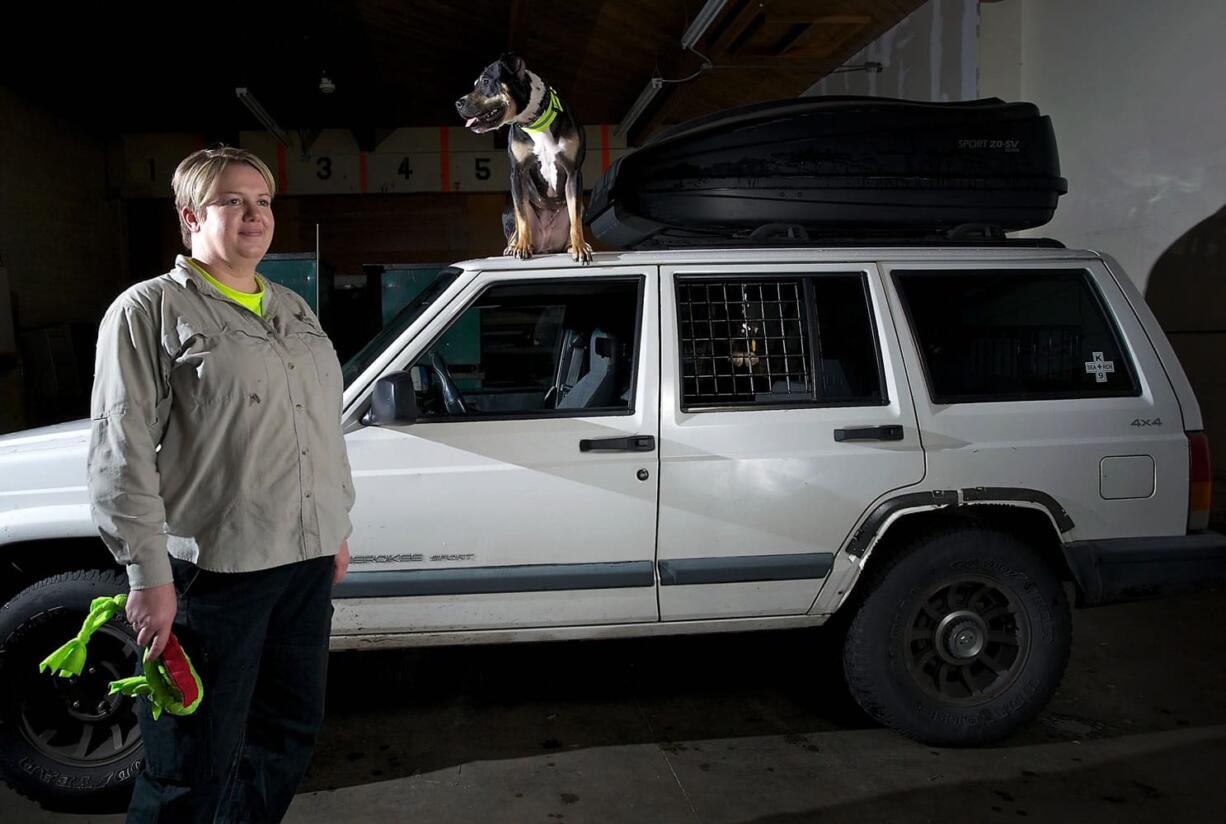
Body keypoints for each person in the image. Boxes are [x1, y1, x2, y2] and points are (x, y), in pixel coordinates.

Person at [87, 145, 354, 822]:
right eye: (231, 200)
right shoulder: (148, 310)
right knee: (190, 761)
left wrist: (336, 528)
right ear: (190, 215)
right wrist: (149, 576)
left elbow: (321, 427)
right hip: (216, 573)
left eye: (261, 201)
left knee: (285, 739)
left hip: (304, 564)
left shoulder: (291, 307)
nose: (252, 214)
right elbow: (121, 451)